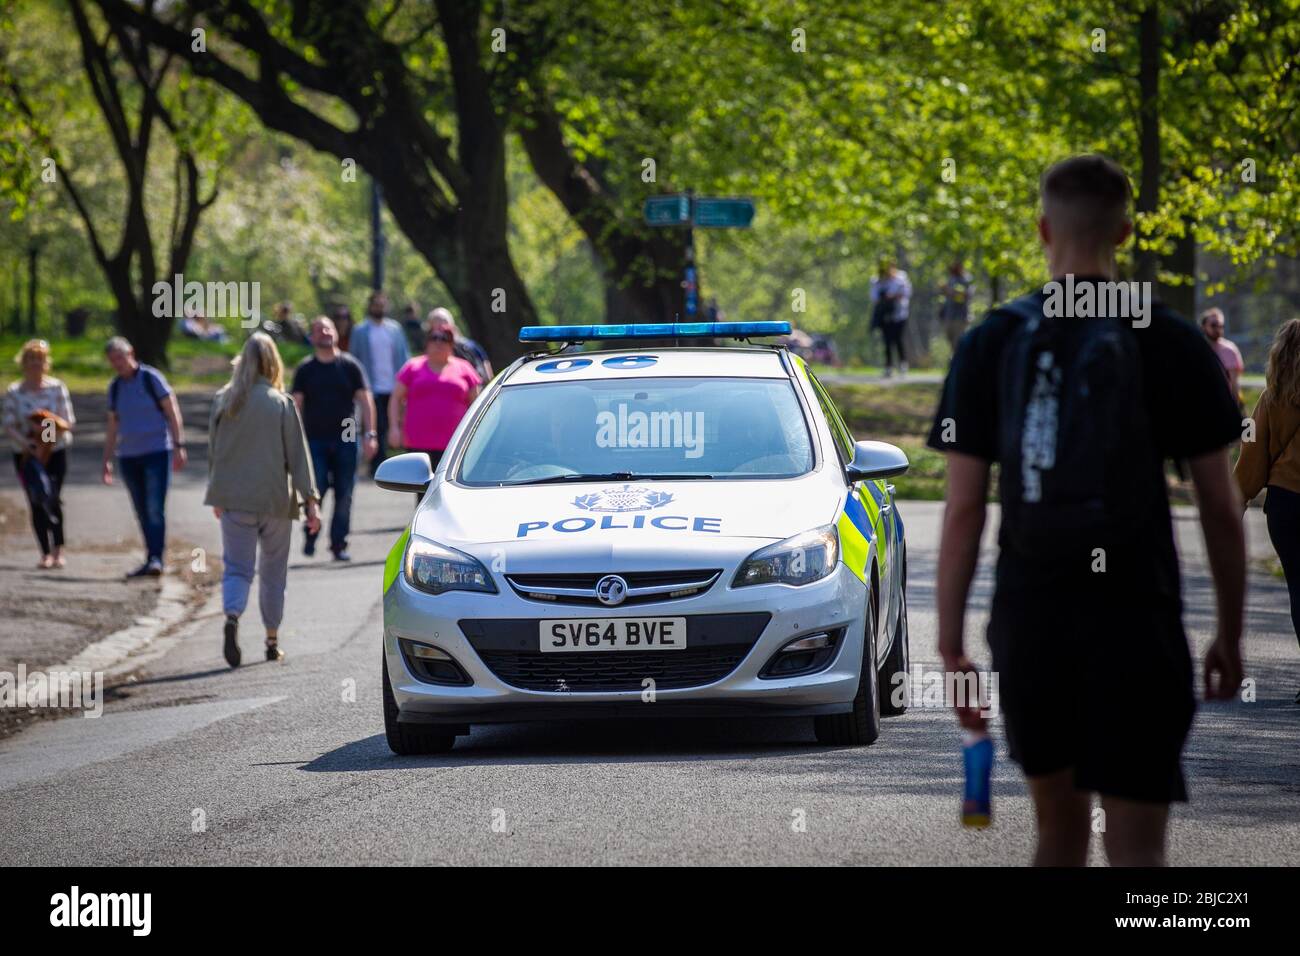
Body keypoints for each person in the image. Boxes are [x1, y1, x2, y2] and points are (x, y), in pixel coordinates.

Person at [929, 154, 1245, 866]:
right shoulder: (1171, 341)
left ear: (1044, 229)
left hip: (1034, 618)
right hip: (1140, 618)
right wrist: (1229, 634)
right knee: (1138, 851)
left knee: (1059, 837)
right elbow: (1221, 509)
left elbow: (962, 512)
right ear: (1125, 232)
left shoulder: (991, 341)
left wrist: (951, 645)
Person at [205, 332, 320, 668]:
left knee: (237, 568)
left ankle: (232, 617)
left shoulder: (223, 400)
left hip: (233, 498)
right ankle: (271, 640)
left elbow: (214, 451)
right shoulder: (280, 403)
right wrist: (310, 501)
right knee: (273, 572)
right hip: (274, 500)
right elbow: (297, 457)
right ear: (273, 362)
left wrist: (217, 493)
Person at [1235, 318, 1300, 700]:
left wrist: (1236, 499)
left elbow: (1252, 453)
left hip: (1288, 502)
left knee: (1299, 586)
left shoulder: (1271, 398)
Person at [291, 316, 378, 561]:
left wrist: (370, 434)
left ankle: (339, 545)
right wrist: (292, 439)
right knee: (315, 490)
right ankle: (310, 533)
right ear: (313, 337)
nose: (325, 332)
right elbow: (295, 405)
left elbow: (365, 400)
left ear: (336, 334)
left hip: (347, 438)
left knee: (345, 493)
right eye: (319, 329)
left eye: (328, 328)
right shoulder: (305, 369)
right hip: (315, 440)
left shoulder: (350, 365)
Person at [103, 337, 188, 578]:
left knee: (153, 508)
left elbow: (172, 412)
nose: (117, 363)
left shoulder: (152, 378)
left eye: (120, 357)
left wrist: (179, 445)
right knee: (141, 509)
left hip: (157, 452)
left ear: (130, 352)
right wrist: (107, 459)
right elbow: (112, 426)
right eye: (112, 361)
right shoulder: (115, 387)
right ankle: (150, 556)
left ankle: (156, 558)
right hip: (128, 456)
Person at [3, 339, 75, 569]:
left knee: (53, 497)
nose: (35, 364)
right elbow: (9, 424)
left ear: (46, 363)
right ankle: (44, 552)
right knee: (36, 500)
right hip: (26, 454)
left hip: (55, 451)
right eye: (31, 359)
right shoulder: (15, 391)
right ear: (23, 363)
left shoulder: (56, 388)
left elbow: (68, 420)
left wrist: (46, 431)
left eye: (39, 359)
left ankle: (58, 549)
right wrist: (28, 441)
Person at [388, 313, 482, 472]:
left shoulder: (465, 368)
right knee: (422, 492)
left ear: (452, 344)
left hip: (455, 443)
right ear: (427, 342)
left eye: (444, 338)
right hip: (418, 441)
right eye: (434, 338)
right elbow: (396, 399)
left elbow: (478, 406)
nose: (439, 342)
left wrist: (479, 435)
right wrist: (394, 428)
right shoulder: (412, 366)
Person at [347, 290, 408, 475]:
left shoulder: (395, 329)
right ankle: (378, 466)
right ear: (370, 306)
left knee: (393, 425)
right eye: (376, 305)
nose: (379, 308)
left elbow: (404, 355)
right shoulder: (360, 330)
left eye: (382, 305)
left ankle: (393, 465)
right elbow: (353, 358)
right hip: (371, 387)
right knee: (378, 426)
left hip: (393, 386)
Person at [427, 306, 494, 382]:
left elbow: (487, 372)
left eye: (445, 325)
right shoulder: (429, 355)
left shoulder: (470, 346)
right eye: (438, 327)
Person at [870, 261, 912, 377]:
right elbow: (874, 297)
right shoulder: (877, 281)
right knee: (887, 341)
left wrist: (892, 296)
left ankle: (903, 364)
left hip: (899, 314)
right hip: (885, 315)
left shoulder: (901, 279)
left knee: (898, 339)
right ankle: (888, 366)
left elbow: (906, 293)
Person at [1200, 307, 1245, 402]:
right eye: (1213, 325)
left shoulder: (1230, 350)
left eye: (1221, 325)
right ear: (1203, 326)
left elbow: (1234, 384)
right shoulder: (1196, 348)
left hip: (1223, 403)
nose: (1217, 329)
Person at [940, 259, 975, 359]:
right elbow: (946, 295)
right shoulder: (951, 278)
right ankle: (956, 358)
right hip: (949, 315)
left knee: (958, 341)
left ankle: (959, 361)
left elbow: (968, 294)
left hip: (962, 316)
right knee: (950, 338)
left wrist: (952, 292)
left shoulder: (967, 280)